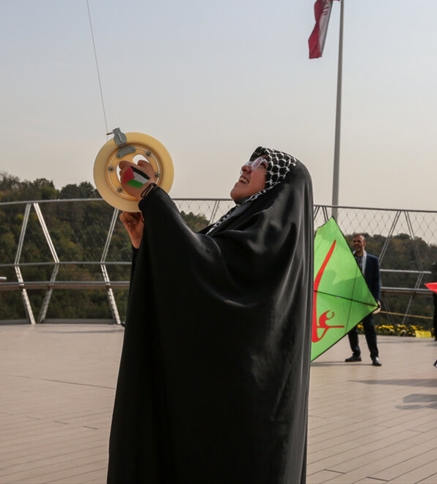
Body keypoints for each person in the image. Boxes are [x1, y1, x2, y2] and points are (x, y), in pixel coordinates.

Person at [107, 147, 313, 483]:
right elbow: (195, 271)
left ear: (279, 183)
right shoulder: (242, 225)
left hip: (239, 423)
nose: (246, 166)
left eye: (261, 164)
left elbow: (211, 272)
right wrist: (147, 243)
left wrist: (151, 197)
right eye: (250, 159)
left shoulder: (272, 237)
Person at [345, 234, 381, 366]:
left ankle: (375, 355)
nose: (356, 243)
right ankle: (356, 353)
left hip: (366, 299)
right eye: (354, 241)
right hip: (352, 298)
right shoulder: (348, 259)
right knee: (351, 328)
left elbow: (377, 281)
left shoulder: (372, 260)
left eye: (359, 241)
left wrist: (376, 298)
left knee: (369, 328)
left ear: (364, 243)